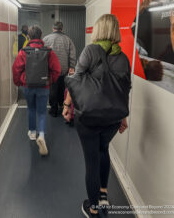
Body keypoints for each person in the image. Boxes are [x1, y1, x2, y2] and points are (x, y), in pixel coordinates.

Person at [63, 14, 131, 218]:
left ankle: (93, 208)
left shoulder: (90, 51)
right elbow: (124, 90)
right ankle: (103, 195)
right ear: (115, 32)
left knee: (91, 161)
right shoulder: (123, 58)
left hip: (89, 118)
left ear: (99, 30)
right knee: (104, 150)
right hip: (112, 119)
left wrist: (67, 106)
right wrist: (123, 116)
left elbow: (76, 82)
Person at [13, 25, 61, 156]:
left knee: (31, 109)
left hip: (28, 86)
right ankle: (41, 135)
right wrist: (49, 81)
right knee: (42, 112)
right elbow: (57, 69)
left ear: (28, 36)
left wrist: (19, 82)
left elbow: (16, 69)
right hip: (43, 87)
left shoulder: (23, 52)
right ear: (41, 36)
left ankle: (32, 133)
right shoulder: (49, 52)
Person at [43, 21, 76, 117]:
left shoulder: (46, 39)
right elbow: (72, 55)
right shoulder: (68, 40)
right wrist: (72, 66)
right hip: (64, 69)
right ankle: (62, 106)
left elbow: (42, 55)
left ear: (53, 28)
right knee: (62, 88)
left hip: (51, 70)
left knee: (52, 89)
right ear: (62, 29)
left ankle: (53, 110)